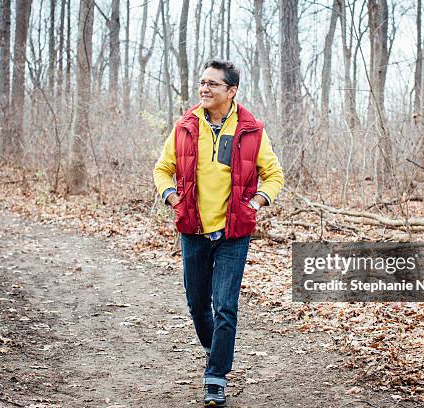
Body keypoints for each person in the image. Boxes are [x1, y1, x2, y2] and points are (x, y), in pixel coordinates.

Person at [153, 59, 284, 407]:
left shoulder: (252, 130)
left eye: (213, 84)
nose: (204, 89)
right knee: (198, 305)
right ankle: (217, 350)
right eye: (202, 82)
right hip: (193, 228)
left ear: (231, 91)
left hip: (233, 232)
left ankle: (216, 377)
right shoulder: (185, 126)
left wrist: (254, 203)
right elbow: (162, 168)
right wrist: (172, 197)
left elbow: (274, 176)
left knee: (225, 306)